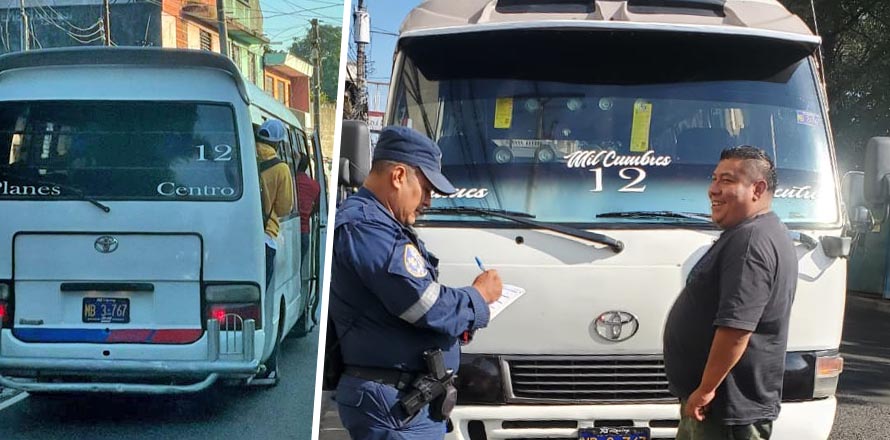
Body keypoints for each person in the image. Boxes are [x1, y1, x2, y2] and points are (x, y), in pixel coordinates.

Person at [329, 125, 503, 439]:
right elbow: (426, 305)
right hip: (393, 405)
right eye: (426, 189)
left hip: (402, 402)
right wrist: (478, 297)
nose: (429, 202)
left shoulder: (379, 224)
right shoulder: (366, 227)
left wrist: (460, 322)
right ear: (398, 176)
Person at [663, 146, 798, 440]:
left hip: (726, 411)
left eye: (726, 181)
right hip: (720, 407)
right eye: (714, 179)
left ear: (757, 188)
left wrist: (706, 389)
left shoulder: (750, 242)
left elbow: (736, 328)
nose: (713, 189)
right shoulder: (754, 232)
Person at [256, 119, 294, 288]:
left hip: (234, 234)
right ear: (277, 143)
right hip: (265, 236)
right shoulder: (281, 169)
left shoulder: (241, 155)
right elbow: (284, 208)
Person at [296, 154, 320, 262]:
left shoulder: (290, 180)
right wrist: (308, 214)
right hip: (304, 232)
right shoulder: (314, 185)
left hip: (284, 234)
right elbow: (317, 207)